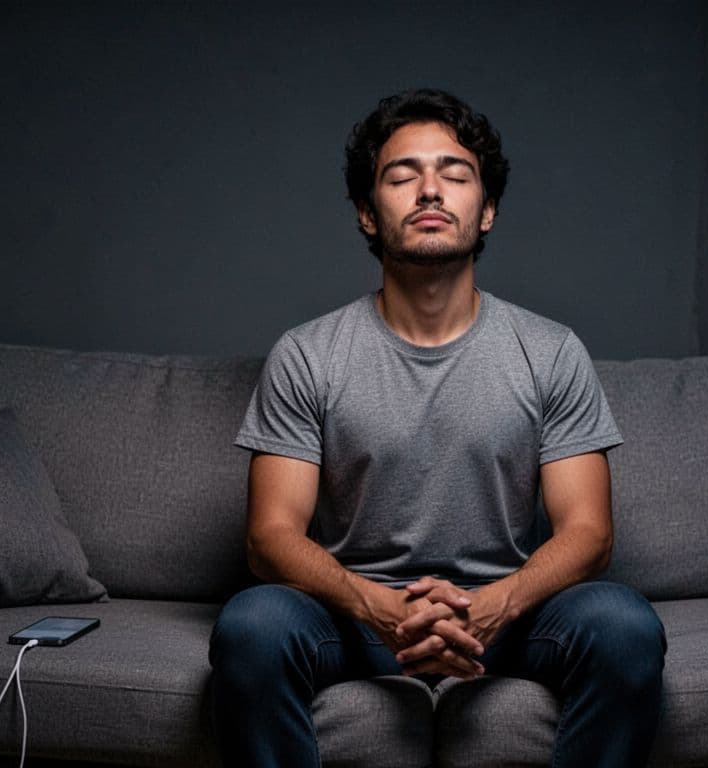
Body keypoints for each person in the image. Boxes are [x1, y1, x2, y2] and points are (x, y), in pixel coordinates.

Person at [209, 87, 666, 767]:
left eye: (454, 175)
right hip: (354, 621)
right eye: (402, 176)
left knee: (624, 625)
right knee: (251, 626)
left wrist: (494, 604)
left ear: (486, 212)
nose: (429, 191)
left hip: (508, 619)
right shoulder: (308, 354)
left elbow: (589, 534)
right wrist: (380, 609)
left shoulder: (549, 350)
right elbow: (269, 537)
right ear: (368, 213)